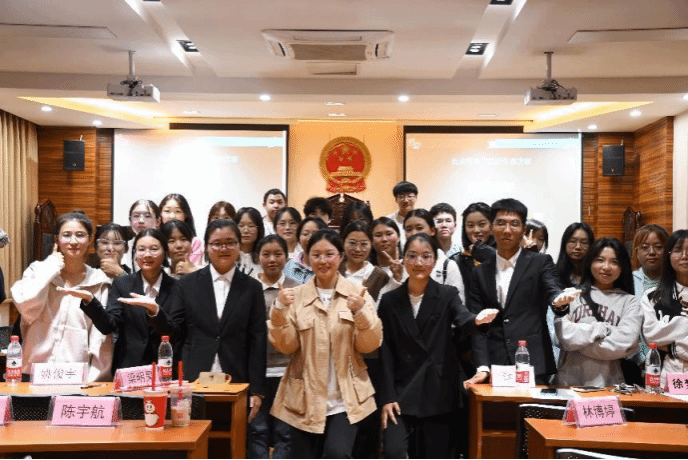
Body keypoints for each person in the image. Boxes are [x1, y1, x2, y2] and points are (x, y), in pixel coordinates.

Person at [379, 233, 498, 459]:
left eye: (426, 256)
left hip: (438, 391)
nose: (419, 262)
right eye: (412, 256)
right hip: (401, 391)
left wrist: (477, 320)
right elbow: (385, 352)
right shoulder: (389, 300)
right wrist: (387, 396)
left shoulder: (446, 294)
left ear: (434, 261)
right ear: (403, 259)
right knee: (394, 451)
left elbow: (463, 318)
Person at [269, 229, 382, 458]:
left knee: (337, 454)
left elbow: (370, 345)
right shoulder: (294, 296)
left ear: (340, 256)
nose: (323, 261)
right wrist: (279, 310)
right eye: (316, 255)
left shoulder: (358, 294)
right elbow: (287, 346)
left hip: (346, 398)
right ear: (308, 258)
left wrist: (360, 312)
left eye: (329, 254)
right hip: (304, 400)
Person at [155, 219, 266, 423]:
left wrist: (257, 391)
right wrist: (155, 312)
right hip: (194, 379)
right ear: (206, 247)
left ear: (239, 246)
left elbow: (257, 340)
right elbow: (175, 331)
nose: (224, 248)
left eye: (230, 242)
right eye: (217, 243)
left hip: (236, 378)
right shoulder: (187, 284)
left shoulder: (252, 288)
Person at [464, 199, 575, 386]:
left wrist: (559, 301)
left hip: (533, 363)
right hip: (495, 364)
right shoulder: (480, 272)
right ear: (491, 228)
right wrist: (482, 366)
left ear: (523, 230)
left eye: (514, 224)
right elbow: (478, 324)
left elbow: (552, 289)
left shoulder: (540, 262)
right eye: (501, 223)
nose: (507, 230)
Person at [11, 211, 113, 382]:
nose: (73, 241)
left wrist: (95, 379)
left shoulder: (99, 281)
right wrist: (51, 266)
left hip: (74, 375)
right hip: (34, 372)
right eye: (66, 235)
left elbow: (100, 338)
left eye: (80, 235)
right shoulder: (39, 270)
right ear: (57, 239)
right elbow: (24, 303)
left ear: (89, 240)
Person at [61, 228, 178, 374]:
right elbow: (109, 325)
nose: (147, 254)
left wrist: (155, 311)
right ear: (134, 254)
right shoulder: (123, 284)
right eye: (141, 249)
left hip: (165, 368)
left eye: (154, 249)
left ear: (165, 252)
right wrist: (90, 301)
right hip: (129, 368)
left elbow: (176, 331)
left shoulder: (177, 287)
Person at [339, 220, 398, 459]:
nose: (357, 249)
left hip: (369, 356)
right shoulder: (333, 270)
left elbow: (385, 316)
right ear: (342, 243)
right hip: (338, 355)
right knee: (340, 417)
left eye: (363, 243)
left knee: (367, 419)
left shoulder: (379, 276)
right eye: (352, 243)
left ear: (371, 245)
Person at [553, 238, 642, 387]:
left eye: (614, 262)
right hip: (569, 385)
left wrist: (578, 343)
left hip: (611, 386)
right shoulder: (571, 295)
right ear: (590, 262)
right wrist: (604, 328)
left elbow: (626, 342)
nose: (606, 267)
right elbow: (564, 336)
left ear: (622, 267)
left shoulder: (630, 302)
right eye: (600, 260)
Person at [248, 235, 297, 459]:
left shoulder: (297, 285)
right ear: (257, 257)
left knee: (284, 432)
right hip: (256, 372)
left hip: (288, 370)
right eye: (266, 254)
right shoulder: (249, 286)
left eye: (278, 254)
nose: (272, 259)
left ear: (287, 257)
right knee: (257, 429)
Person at [641, 229, 688, 388]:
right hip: (664, 379)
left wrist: (672, 346)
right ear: (668, 256)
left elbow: (660, 337)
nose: (684, 256)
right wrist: (684, 323)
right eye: (678, 250)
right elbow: (652, 336)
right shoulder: (652, 297)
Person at [403, 209, 465, 303]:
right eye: (409, 229)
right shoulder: (401, 265)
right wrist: (396, 279)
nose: (414, 233)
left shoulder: (447, 265)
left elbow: (458, 304)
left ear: (432, 230)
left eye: (419, 228)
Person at [159, 193, 203, 265]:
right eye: (167, 211)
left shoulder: (194, 242)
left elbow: (193, 268)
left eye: (177, 211)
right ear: (160, 214)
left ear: (186, 215)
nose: (172, 216)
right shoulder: (154, 239)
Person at [284, 217, 327, 285]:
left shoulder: (329, 265)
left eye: (315, 234)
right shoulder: (289, 265)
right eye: (305, 234)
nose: (309, 238)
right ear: (298, 237)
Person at [123, 199, 160, 271]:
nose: (141, 221)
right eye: (136, 216)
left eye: (147, 216)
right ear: (130, 221)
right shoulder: (125, 247)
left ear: (157, 221)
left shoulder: (165, 245)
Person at [555, 223, 595, 288]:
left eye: (584, 242)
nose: (578, 247)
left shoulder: (595, 275)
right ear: (564, 244)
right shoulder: (552, 274)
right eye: (573, 241)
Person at [633, 224, 669, 297]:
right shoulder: (629, 280)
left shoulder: (677, 281)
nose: (651, 252)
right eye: (645, 247)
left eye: (658, 247)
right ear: (637, 252)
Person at [370, 217, 404, 285]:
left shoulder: (408, 266)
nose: (384, 239)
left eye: (389, 234)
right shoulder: (368, 270)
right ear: (371, 241)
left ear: (399, 237)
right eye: (378, 235)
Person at [236, 207, 265, 278]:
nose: (246, 231)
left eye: (251, 226)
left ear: (259, 229)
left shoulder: (264, 257)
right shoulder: (229, 255)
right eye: (241, 226)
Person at [386, 181, 418, 247]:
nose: (406, 200)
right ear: (396, 199)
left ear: (415, 198)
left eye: (410, 196)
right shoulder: (388, 220)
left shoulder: (422, 219)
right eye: (401, 196)